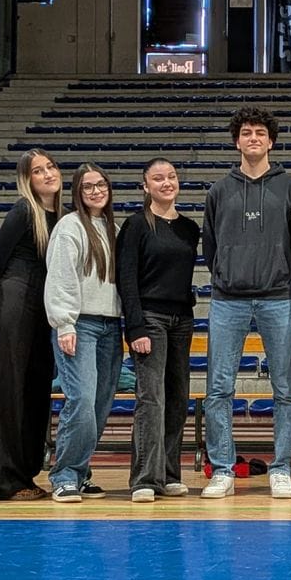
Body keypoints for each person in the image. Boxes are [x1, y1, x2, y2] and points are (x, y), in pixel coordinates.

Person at [201, 107, 291, 499]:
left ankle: (281, 469)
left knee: (285, 388)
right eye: (246, 132)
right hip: (228, 299)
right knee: (219, 389)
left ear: (271, 141)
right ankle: (223, 469)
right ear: (237, 140)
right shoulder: (219, 189)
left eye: (260, 133)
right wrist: (228, 273)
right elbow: (210, 245)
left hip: (277, 297)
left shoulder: (290, 187)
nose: (253, 139)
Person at [0, 149, 63, 501]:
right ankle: (1, 480)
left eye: (51, 167)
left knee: (34, 390)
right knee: (8, 393)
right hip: (13, 304)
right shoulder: (23, 210)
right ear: (27, 180)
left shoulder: (59, 215)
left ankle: (24, 474)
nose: (47, 174)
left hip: (40, 310)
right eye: (37, 171)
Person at [116, 158, 200, 503]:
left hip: (182, 319)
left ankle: (168, 473)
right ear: (145, 186)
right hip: (149, 319)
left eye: (172, 177)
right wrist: (134, 326)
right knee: (151, 399)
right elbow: (127, 279)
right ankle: (144, 478)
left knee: (177, 398)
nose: (167, 183)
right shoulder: (136, 225)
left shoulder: (189, 228)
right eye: (158, 178)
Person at [44, 163, 122, 503]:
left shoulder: (111, 228)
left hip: (110, 326)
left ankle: (81, 471)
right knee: (82, 401)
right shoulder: (69, 227)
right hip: (80, 325)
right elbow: (60, 277)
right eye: (88, 186)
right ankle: (64, 474)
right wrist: (65, 324)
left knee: (101, 405)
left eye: (100, 184)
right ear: (77, 191)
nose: (95, 191)